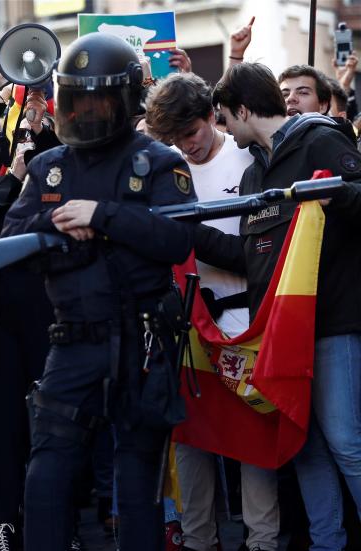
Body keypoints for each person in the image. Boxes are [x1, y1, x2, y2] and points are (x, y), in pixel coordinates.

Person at [1, 32, 197, 550]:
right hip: (71, 343)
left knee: (136, 487)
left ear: (125, 98)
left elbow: (178, 239)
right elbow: (7, 240)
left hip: (142, 340)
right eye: (79, 97)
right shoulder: (48, 166)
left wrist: (104, 216)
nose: (89, 108)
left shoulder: (158, 161)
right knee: (46, 476)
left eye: (101, 97)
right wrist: (59, 221)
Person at [202, 62, 361, 551]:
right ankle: (326, 543)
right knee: (304, 443)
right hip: (281, 332)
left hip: (333, 321)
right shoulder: (254, 175)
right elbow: (251, 256)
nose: (224, 130)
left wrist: (338, 196)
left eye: (226, 118)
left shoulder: (320, 141)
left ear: (245, 110)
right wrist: (181, 232)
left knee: (346, 443)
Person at [145, 72, 280, 551]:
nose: (187, 147)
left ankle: (263, 540)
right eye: (174, 140)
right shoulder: (165, 169)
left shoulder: (248, 158)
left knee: (252, 436)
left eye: (192, 134)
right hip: (184, 321)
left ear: (212, 116)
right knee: (193, 437)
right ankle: (199, 538)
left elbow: (258, 251)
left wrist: (190, 230)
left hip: (244, 318)